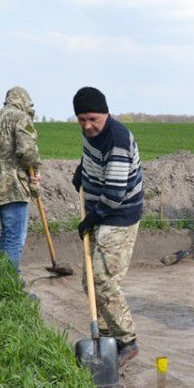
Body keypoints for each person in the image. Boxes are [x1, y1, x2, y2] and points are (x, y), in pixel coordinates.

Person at [71, 87, 143, 367]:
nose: (87, 126)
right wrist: (83, 170)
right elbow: (92, 157)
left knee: (102, 280)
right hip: (100, 211)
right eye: (81, 120)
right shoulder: (92, 133)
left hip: (118, 214)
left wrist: (91, 218)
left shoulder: (118, 139)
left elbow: (114, 194)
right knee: (89, 281)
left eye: (92, 119)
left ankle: (127, 340)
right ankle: (103, 335)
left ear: (105, 113)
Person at [0, 86, 41, 275]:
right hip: (12, 184)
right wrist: (34, 170)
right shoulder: (20, 118)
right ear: (24, 101)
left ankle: (0, 278)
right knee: (15, 237)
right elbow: (27, 151)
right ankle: (10, 284)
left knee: (7, 233)